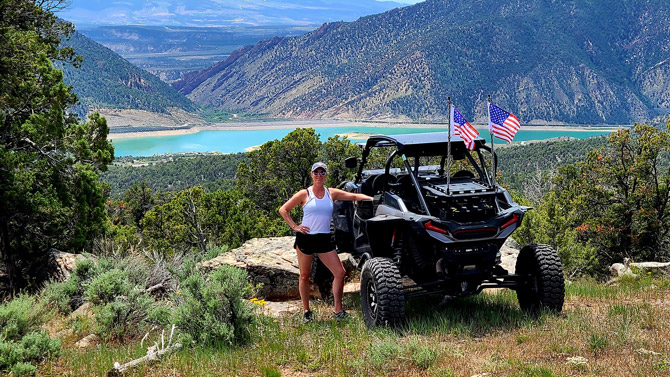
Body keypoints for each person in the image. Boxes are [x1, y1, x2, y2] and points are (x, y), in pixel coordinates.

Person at [279, 161, 373, 323]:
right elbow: (283, 210)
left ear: (326, 175)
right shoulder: (304, 194)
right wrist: (295, 227)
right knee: (304, 276)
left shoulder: (331, 193)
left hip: (324, 239)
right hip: (306, 239)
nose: (319, 175)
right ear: (311, 174)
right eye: (316, 172)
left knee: (340, 272)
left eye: (322, 172)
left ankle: (338, 310)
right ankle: (307, 311)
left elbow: (354, 196)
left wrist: (373, 199)